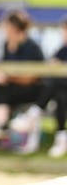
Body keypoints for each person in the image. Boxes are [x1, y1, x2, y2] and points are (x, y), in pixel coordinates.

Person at [0, 10, 45, 153]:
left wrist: (8, 77)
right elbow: (2, 68)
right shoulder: (7, 45)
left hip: (31, 90)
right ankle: (0, 127)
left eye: (6, 25)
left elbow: (31, 78)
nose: (4, 29)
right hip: (11, 88)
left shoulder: (32, 48)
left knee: (1, 89)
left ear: (14, 27)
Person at [26, 17, 67, 158]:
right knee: (60, 94)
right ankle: (61, 138)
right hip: (62, 92)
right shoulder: (63, 49)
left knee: (56, 83)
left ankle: (35, 111)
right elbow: (50, 66)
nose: (63, 34)